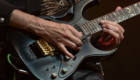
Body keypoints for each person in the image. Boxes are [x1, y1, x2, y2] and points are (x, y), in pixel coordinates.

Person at [0, 0, 124, 80]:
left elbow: (74, 29)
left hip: (65, 65)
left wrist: (101, 44)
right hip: (16, 53)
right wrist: (43, 27)